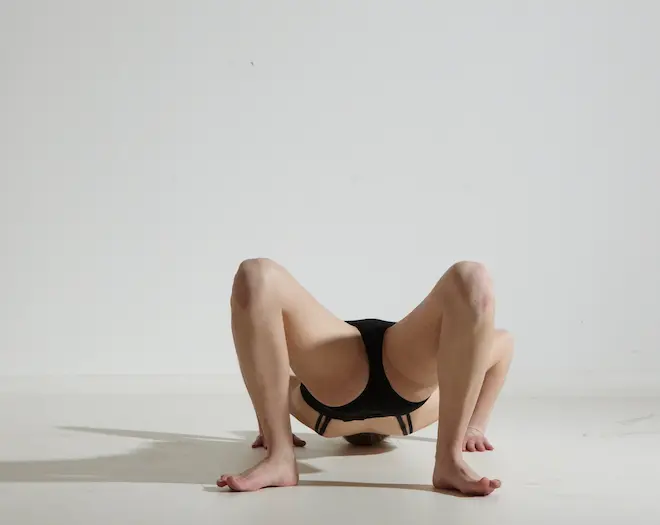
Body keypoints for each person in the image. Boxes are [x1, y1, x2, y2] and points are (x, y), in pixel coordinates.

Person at [217, 258, 514, 496]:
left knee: (255, 274)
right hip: (402, 385)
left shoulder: (302, 404)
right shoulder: (431, 405)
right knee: (472, 277)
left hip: (334, 384)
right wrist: (474, 427)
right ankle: (449, 459)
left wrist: (270, 427)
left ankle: (280, 457)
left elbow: (271, 368)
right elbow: (503, 346)